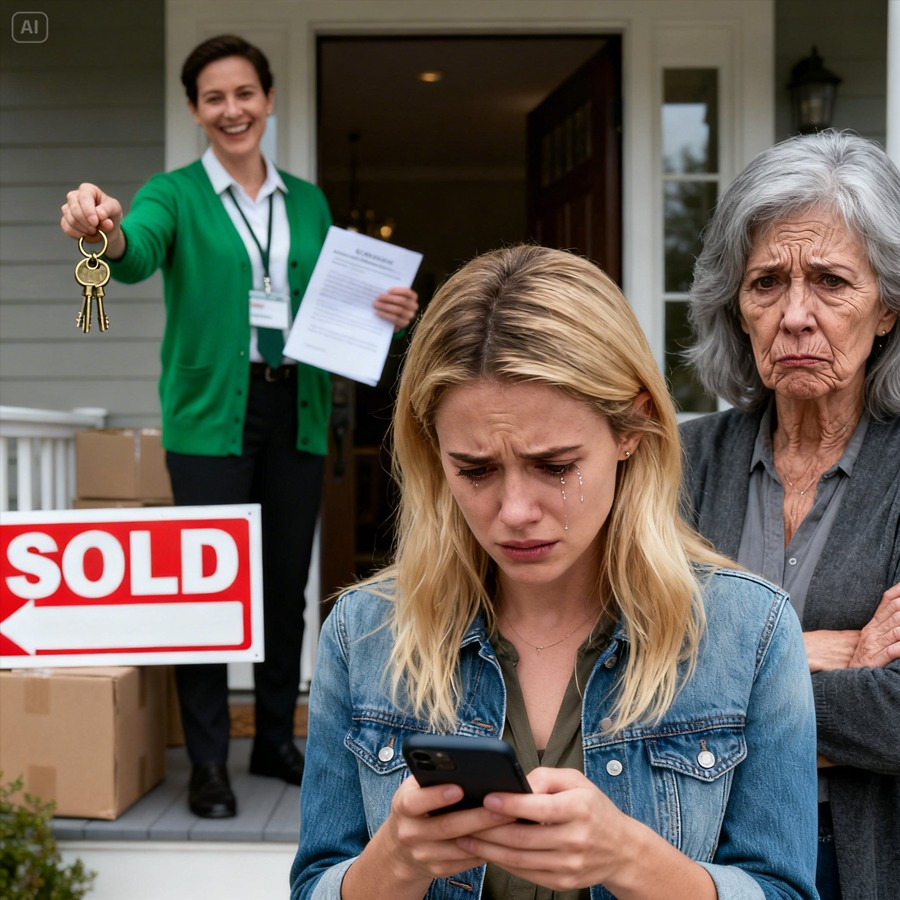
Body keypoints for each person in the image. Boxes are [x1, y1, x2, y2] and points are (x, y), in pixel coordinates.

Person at [290, 244, 818, 900]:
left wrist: (631, 860)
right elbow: (315, 883)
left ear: (633, 428)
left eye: (555, 466)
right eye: (476, 470)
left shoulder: (749, 632)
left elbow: (785, 889)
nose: (515, 511)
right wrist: (393, 862)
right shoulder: (364, 632)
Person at [59, 34, 418, 820]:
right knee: (205, 592)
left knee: (284, 588)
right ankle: (210, 763)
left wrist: (386, 310)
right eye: (215, 98)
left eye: (245, 93)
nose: (232, 110)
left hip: (297, 409)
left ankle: (276, 740)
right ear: (195, 110)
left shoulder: (307, 202)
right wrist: (103, 228)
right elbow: (133, 252)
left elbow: (332, 301)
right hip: (208, 419)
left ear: (269, 100)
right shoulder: (175, 194)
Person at [680, 130, 900, 900]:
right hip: (691, 852)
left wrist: (708, 687)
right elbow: (619, 681)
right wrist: (810, 652)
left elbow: (895, 717)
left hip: (856, 860)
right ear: (737, 308)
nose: (795, 315)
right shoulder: (681, 464)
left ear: (887, 308)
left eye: (831, 282)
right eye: (767, 283)